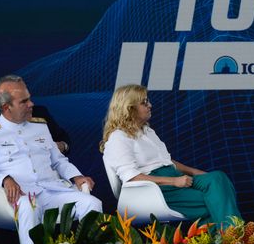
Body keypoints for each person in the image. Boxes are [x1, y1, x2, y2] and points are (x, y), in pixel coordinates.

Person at [0, 75, 102, 244]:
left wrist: (77, 176)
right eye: (24, 102)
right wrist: (5, 179)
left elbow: (58, 161)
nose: (31, 104)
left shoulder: (40, 126)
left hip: (52, 191)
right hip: (21, 196)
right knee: (28, 207)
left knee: (92, 204)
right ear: (6, 107)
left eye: (29, 99)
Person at [100, 84, 241, 227]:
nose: (150, 105)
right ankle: (234, 242)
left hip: (173, 175)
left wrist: (196, 173)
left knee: (218, 178)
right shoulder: (118, 137)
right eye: (144, 103)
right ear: (129, 108)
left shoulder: (148, 131)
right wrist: (173, 181)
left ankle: (228, 241)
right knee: (215, 201)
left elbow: (166, 161)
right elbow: (131, 177)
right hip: (153, 189)